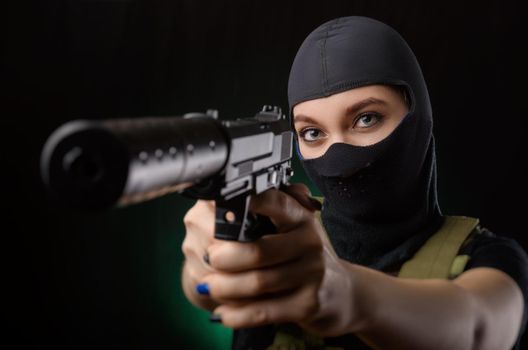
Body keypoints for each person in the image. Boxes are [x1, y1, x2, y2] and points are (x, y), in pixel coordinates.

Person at [181, 16, 528, 349]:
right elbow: (203, 284)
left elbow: (478, 328)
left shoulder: (487, 257)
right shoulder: (276, 234)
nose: (338, 157)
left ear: (418, 117)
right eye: (313, 132)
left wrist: (347, 295)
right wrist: (208, 265)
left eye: (366, 118)